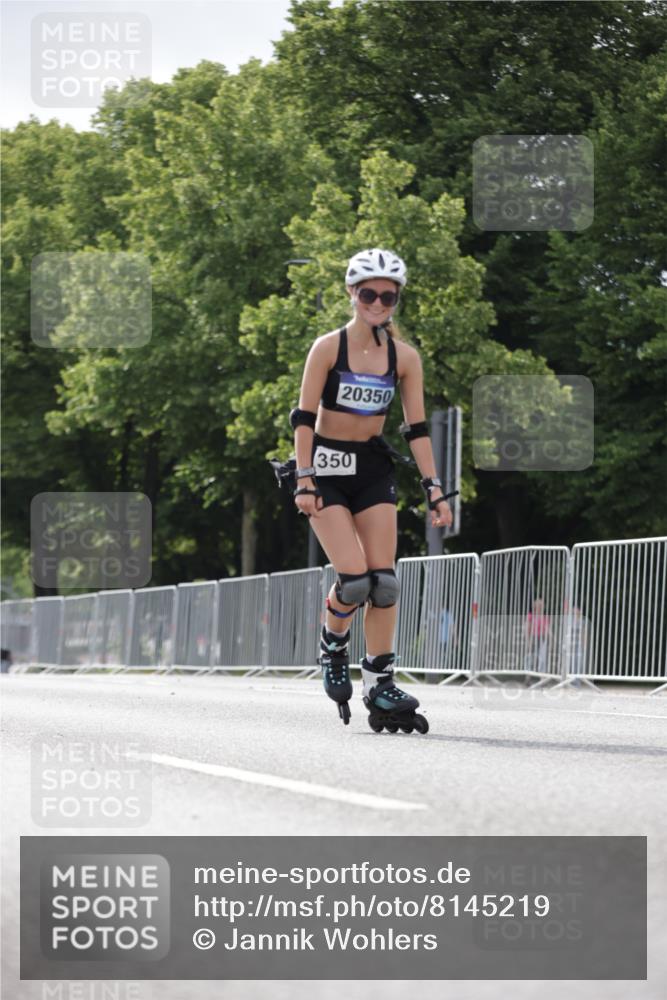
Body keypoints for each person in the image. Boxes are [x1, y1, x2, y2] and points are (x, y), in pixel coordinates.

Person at [290, 247, 455, 730]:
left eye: (389, 296)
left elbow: (416, 427)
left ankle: (381, 684)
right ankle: (333, 640)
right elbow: (302, 418)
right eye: (369, 294)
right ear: (352, 294)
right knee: (355, 580)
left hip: (370, 469)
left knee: (384, 585)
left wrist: (435, 489)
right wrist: (303, 477)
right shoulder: (327, 348)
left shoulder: (404, 358)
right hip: (323, 468)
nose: (379, 303)